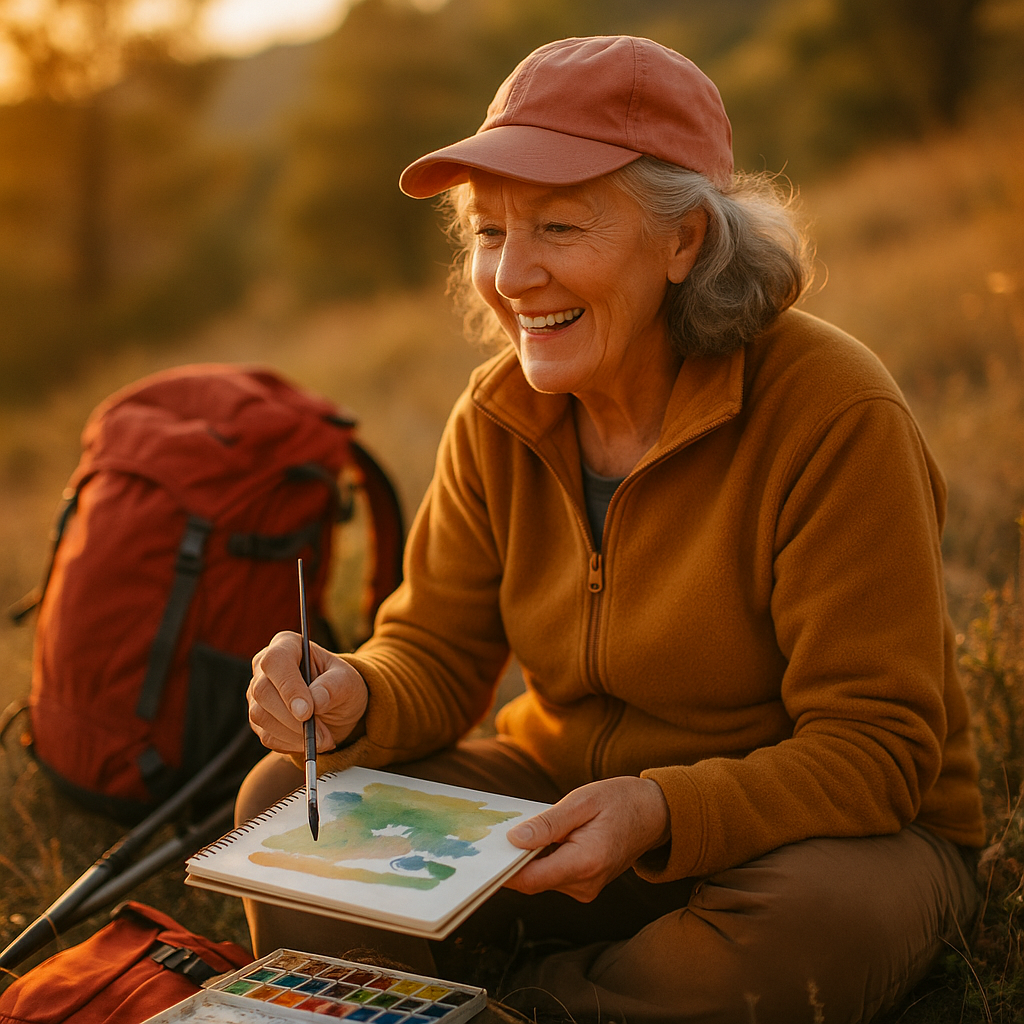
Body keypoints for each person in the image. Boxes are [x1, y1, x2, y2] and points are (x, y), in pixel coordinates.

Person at [238, 35, 985, 1024]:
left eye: (556, 225)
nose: (511, 275)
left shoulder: (833, 412)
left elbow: (876, 750)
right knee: (286, 806)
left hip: (811, 837)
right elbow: (434, 648)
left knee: (815, 927)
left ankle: (514, 1006)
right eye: (489, 231)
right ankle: (574, 982)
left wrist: (660, 808)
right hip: (565, 802)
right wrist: (351, 695)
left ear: (687, 242)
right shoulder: (498, 413)